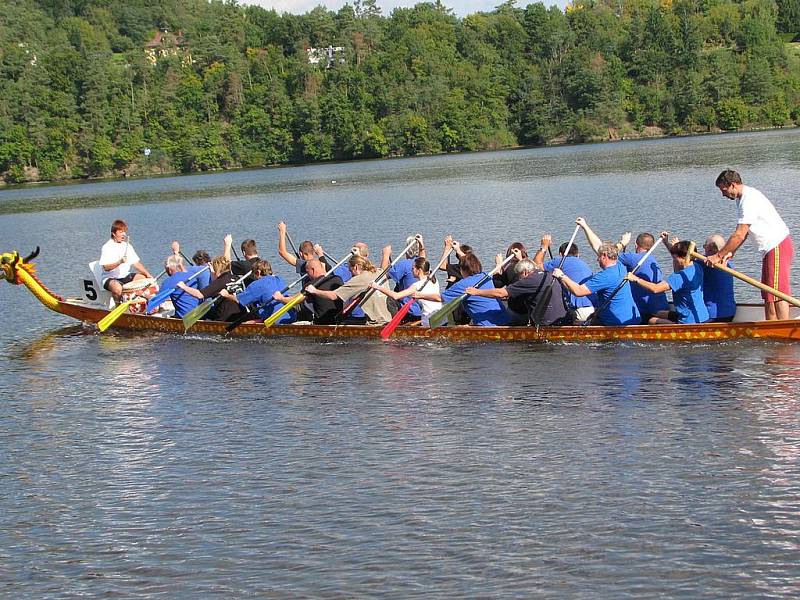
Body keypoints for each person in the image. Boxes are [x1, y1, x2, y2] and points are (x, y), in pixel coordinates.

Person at [709, 169, 793, 320]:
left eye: (724, 190)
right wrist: (731, 252)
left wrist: (718, 255)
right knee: (767, 293)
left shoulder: (749, 199)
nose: (723, 194)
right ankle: (771, 327)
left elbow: (739, 234)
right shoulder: (740, 200)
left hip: (777, 245)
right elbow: (745, 232)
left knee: (777, 292)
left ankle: (784, 327)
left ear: (733, 185)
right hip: (769, 250)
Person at [575, 217, 668, 321]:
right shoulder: (652, 259)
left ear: (636, 245)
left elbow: (604, 251)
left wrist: (623, 242)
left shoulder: (632, 258)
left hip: (646, 310)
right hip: (661, 307)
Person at [415, 246, 513, 326]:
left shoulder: (463, 284)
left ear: (462, 270)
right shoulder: (485, 276)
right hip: (506, 320)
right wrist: (499, 264)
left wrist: (419, 295)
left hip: (488, 325)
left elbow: (440, 298)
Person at [466, 252, 568, 326]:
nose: (519, 279)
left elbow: (501, 293)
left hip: (546, 324)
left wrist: (476, 292)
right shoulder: (549, 275)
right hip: (563, 319)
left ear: (525, 272)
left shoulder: (529, 280)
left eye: (519, 276)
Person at [552, 241, 641, 326]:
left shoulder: (604, 276)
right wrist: (584, 226)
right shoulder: (620, 266)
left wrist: (562, 276)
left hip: (616, 323)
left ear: (604, 256)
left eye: (598, 256)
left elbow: (578, 291)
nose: (597, 259)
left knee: (576, 322)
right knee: (592, 316)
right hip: (633, 318)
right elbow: (597, 245)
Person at [626, 236, 709, 325]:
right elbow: (679, 261)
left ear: (682, 257)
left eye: (675, 257)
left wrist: (636, 279)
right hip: (702, 315)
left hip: (689, 321)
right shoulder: (697, 267)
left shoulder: (679, 277)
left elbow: (656, 289)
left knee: (651, 320)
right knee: (659, 313)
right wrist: (667, 243)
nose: (674, 259)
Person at [305, 255, 392, 325]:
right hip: (390, 319)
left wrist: (314, 291)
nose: (351, 274)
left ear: (356, 267)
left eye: (351, 271)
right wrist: (386, 255)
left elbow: (333, 296)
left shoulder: (358, 279)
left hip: (377, 323)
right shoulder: (380, 272)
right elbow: (384, 266)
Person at [534, 234, 595, 323]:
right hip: (594, 310)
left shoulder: (560, 261)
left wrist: (544, 247)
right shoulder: (584, 264)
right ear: (578, 255)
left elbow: (536, 266)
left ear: (560, 254)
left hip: (580, 311)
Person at [370, 257, 442, 326]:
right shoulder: (434, 280)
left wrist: (377, 287)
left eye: (413, 269)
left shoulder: (417, 285)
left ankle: (397, 324)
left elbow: (396, 296)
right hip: (440, 319)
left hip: (428, 322)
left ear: (419, 270)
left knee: (390, 300)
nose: (411, 271)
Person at [220, 259, 295, 324]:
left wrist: (226, 295)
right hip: (291, 316)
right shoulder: (279, 279)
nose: (254, 277)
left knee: (246, 322)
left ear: (258, 272)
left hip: (275, 321)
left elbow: (239, 300)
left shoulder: (258, 284)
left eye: (254, 274)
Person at [273, 259, 344, 325]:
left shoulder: (311, 285)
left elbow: (294, 301)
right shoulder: (337, 279)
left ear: (313, 270)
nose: (307, 275)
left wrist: (280, 298)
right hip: (339, 321)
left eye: (307, 272)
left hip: (321, 323)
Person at [99, 219, 153, 302]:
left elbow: (136, 263)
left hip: (125, 275)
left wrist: (148, 274)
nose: (123, 234)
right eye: (120, 232)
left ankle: (140, 303)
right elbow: (106, 267)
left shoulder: (127, 246)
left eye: (124, 232)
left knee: (143, 279)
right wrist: (119, 262)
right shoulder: (107, 247)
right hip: (110, 277)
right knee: (117, 288)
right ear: (114, 233)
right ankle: (118, 307)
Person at [177, 255, 244, 322]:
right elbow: (216, 279)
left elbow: (200, 295)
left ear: (217, 268)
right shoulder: (236, 278)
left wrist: (184, 287)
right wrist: (211, 270)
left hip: (225, 318)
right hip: (239, 315)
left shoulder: (220, 282)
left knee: (203, 316)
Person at [380, 236, 426, 320]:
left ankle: (396, 322)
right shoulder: (424, 264)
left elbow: (382, 274)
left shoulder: (404, 264)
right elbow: (422, 257)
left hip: (410, 310)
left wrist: (386, 255)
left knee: (390, 299)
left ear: (407, 250)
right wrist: (422, 246)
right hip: (422, 309)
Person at [701, 234, 736, 323]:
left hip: (711, 316)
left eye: (704, 246)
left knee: (665, 315)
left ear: (709, 248)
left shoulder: (704, 263)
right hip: (730, 313)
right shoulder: (729, 263)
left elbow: (682, 263)